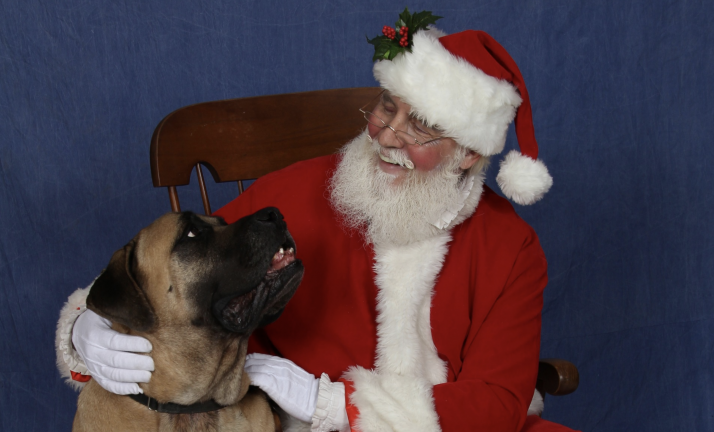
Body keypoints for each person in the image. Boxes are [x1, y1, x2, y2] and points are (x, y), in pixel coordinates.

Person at [56, 13, 578, 432]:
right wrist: (88, 326)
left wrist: (330, 401)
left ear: (467, 153)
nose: (388, 136)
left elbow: (499, 401)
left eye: (418, 126)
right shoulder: (315, 185)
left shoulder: (511, 247)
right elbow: (188, 269)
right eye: (385, 108)